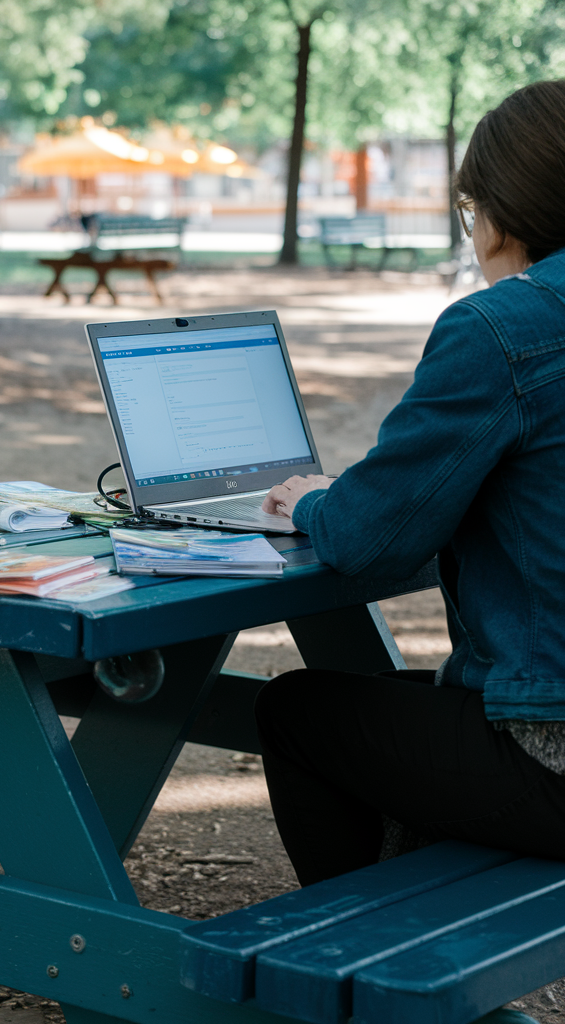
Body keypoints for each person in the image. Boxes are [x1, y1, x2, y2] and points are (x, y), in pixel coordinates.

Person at [254, 79, 565, 888]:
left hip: (555, 755)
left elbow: (368, 541)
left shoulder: (502, 328)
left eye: (470, 209)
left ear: (502, 211)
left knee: (297, 714)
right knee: (399, 705)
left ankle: (346, 972)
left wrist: (315, 501)